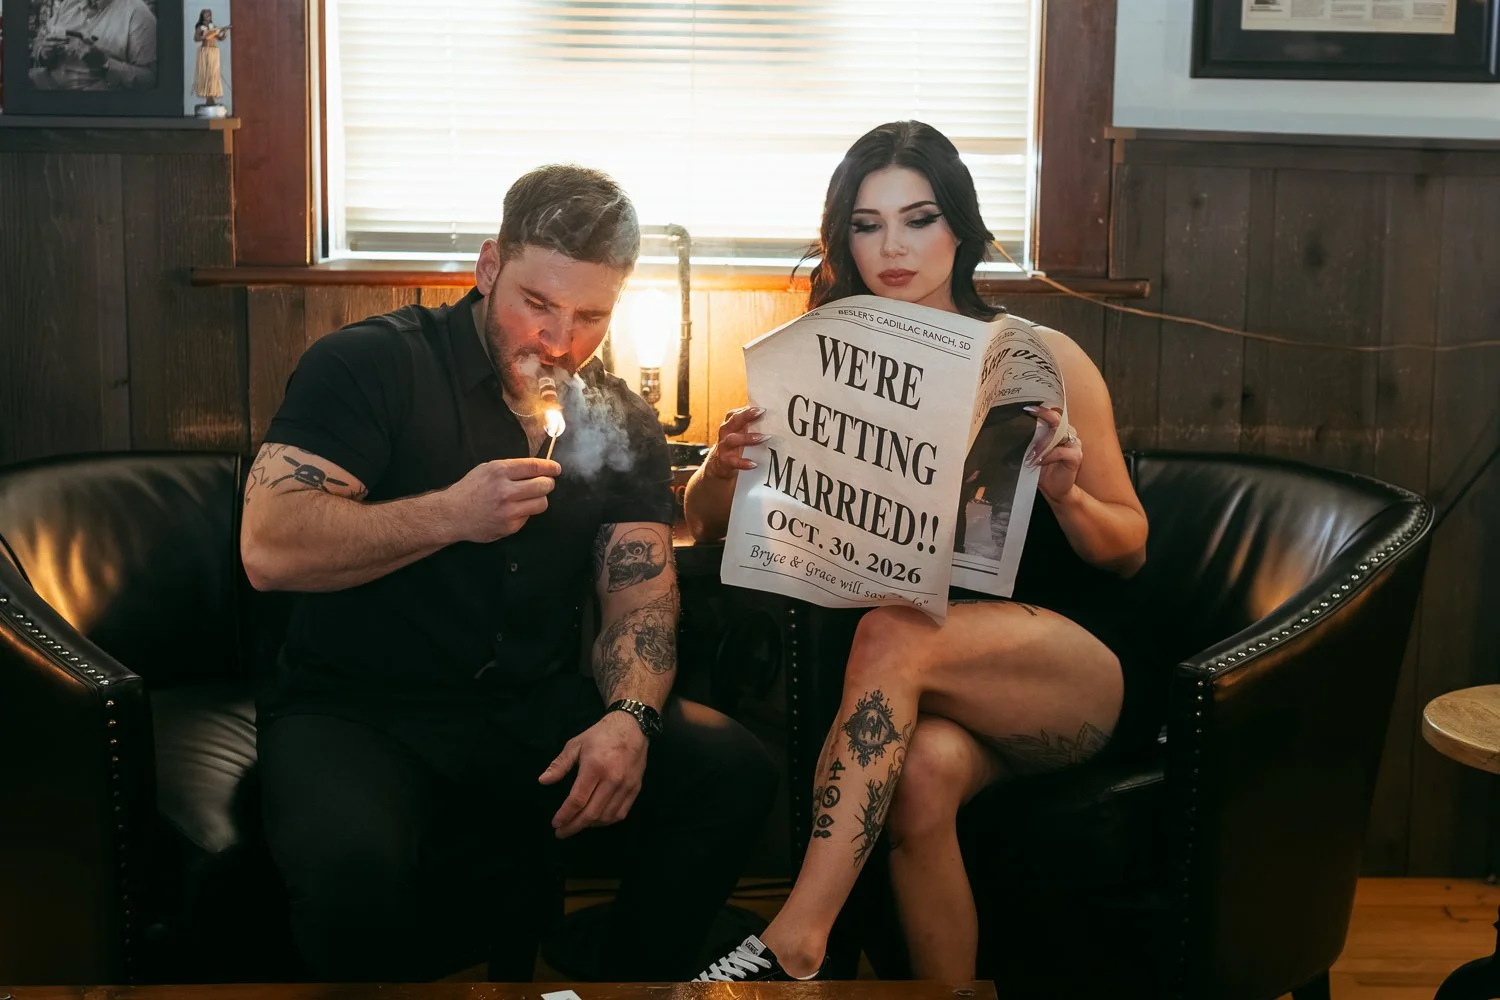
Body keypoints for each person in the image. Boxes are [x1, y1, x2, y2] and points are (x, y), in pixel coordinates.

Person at [242, 164, 777, 983]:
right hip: (358, 709)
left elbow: (639, 594)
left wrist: (631, 716)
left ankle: (623, 977)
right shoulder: (369, 365)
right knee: (354, 866)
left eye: (591, 316)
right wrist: (451, 514)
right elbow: (270, 547)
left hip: (527, 711)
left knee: (731, 772)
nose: (559, 341)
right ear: (490, 267)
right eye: (537, 303)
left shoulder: (619, 416)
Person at [684, 121, 1155, 982]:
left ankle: (796, 934)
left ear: (960, 228)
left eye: (919, 218)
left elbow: (1128, 550)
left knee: (895, 630)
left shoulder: (1041, 356)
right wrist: (723, 466)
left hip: (1069, 669)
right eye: (867, 225)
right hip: (926, 699)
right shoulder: (822, 356)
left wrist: (1068, 495)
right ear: (844, 238)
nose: (892, 247)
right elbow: (708, 523)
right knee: (920, 779)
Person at [28, 0, 156, 91]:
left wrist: (105, 63)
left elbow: (150, 79)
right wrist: (43, 53)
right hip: (46, 84)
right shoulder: (68, 4)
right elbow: (39, 41)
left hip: (93, 102)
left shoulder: (138, 14)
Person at [192, 9, 229, 110]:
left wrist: (224, 32)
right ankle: (208, 96)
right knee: (206, 74)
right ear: (202, 16)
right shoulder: (200, 27)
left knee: (213, 75)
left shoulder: (213, 26)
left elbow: (220, 38)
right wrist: (204, 36)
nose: (208, 17)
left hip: (213, 53)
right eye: (206, 15)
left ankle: (212, 96)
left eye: (209, 15)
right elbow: (196, 38)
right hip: (205, 53)